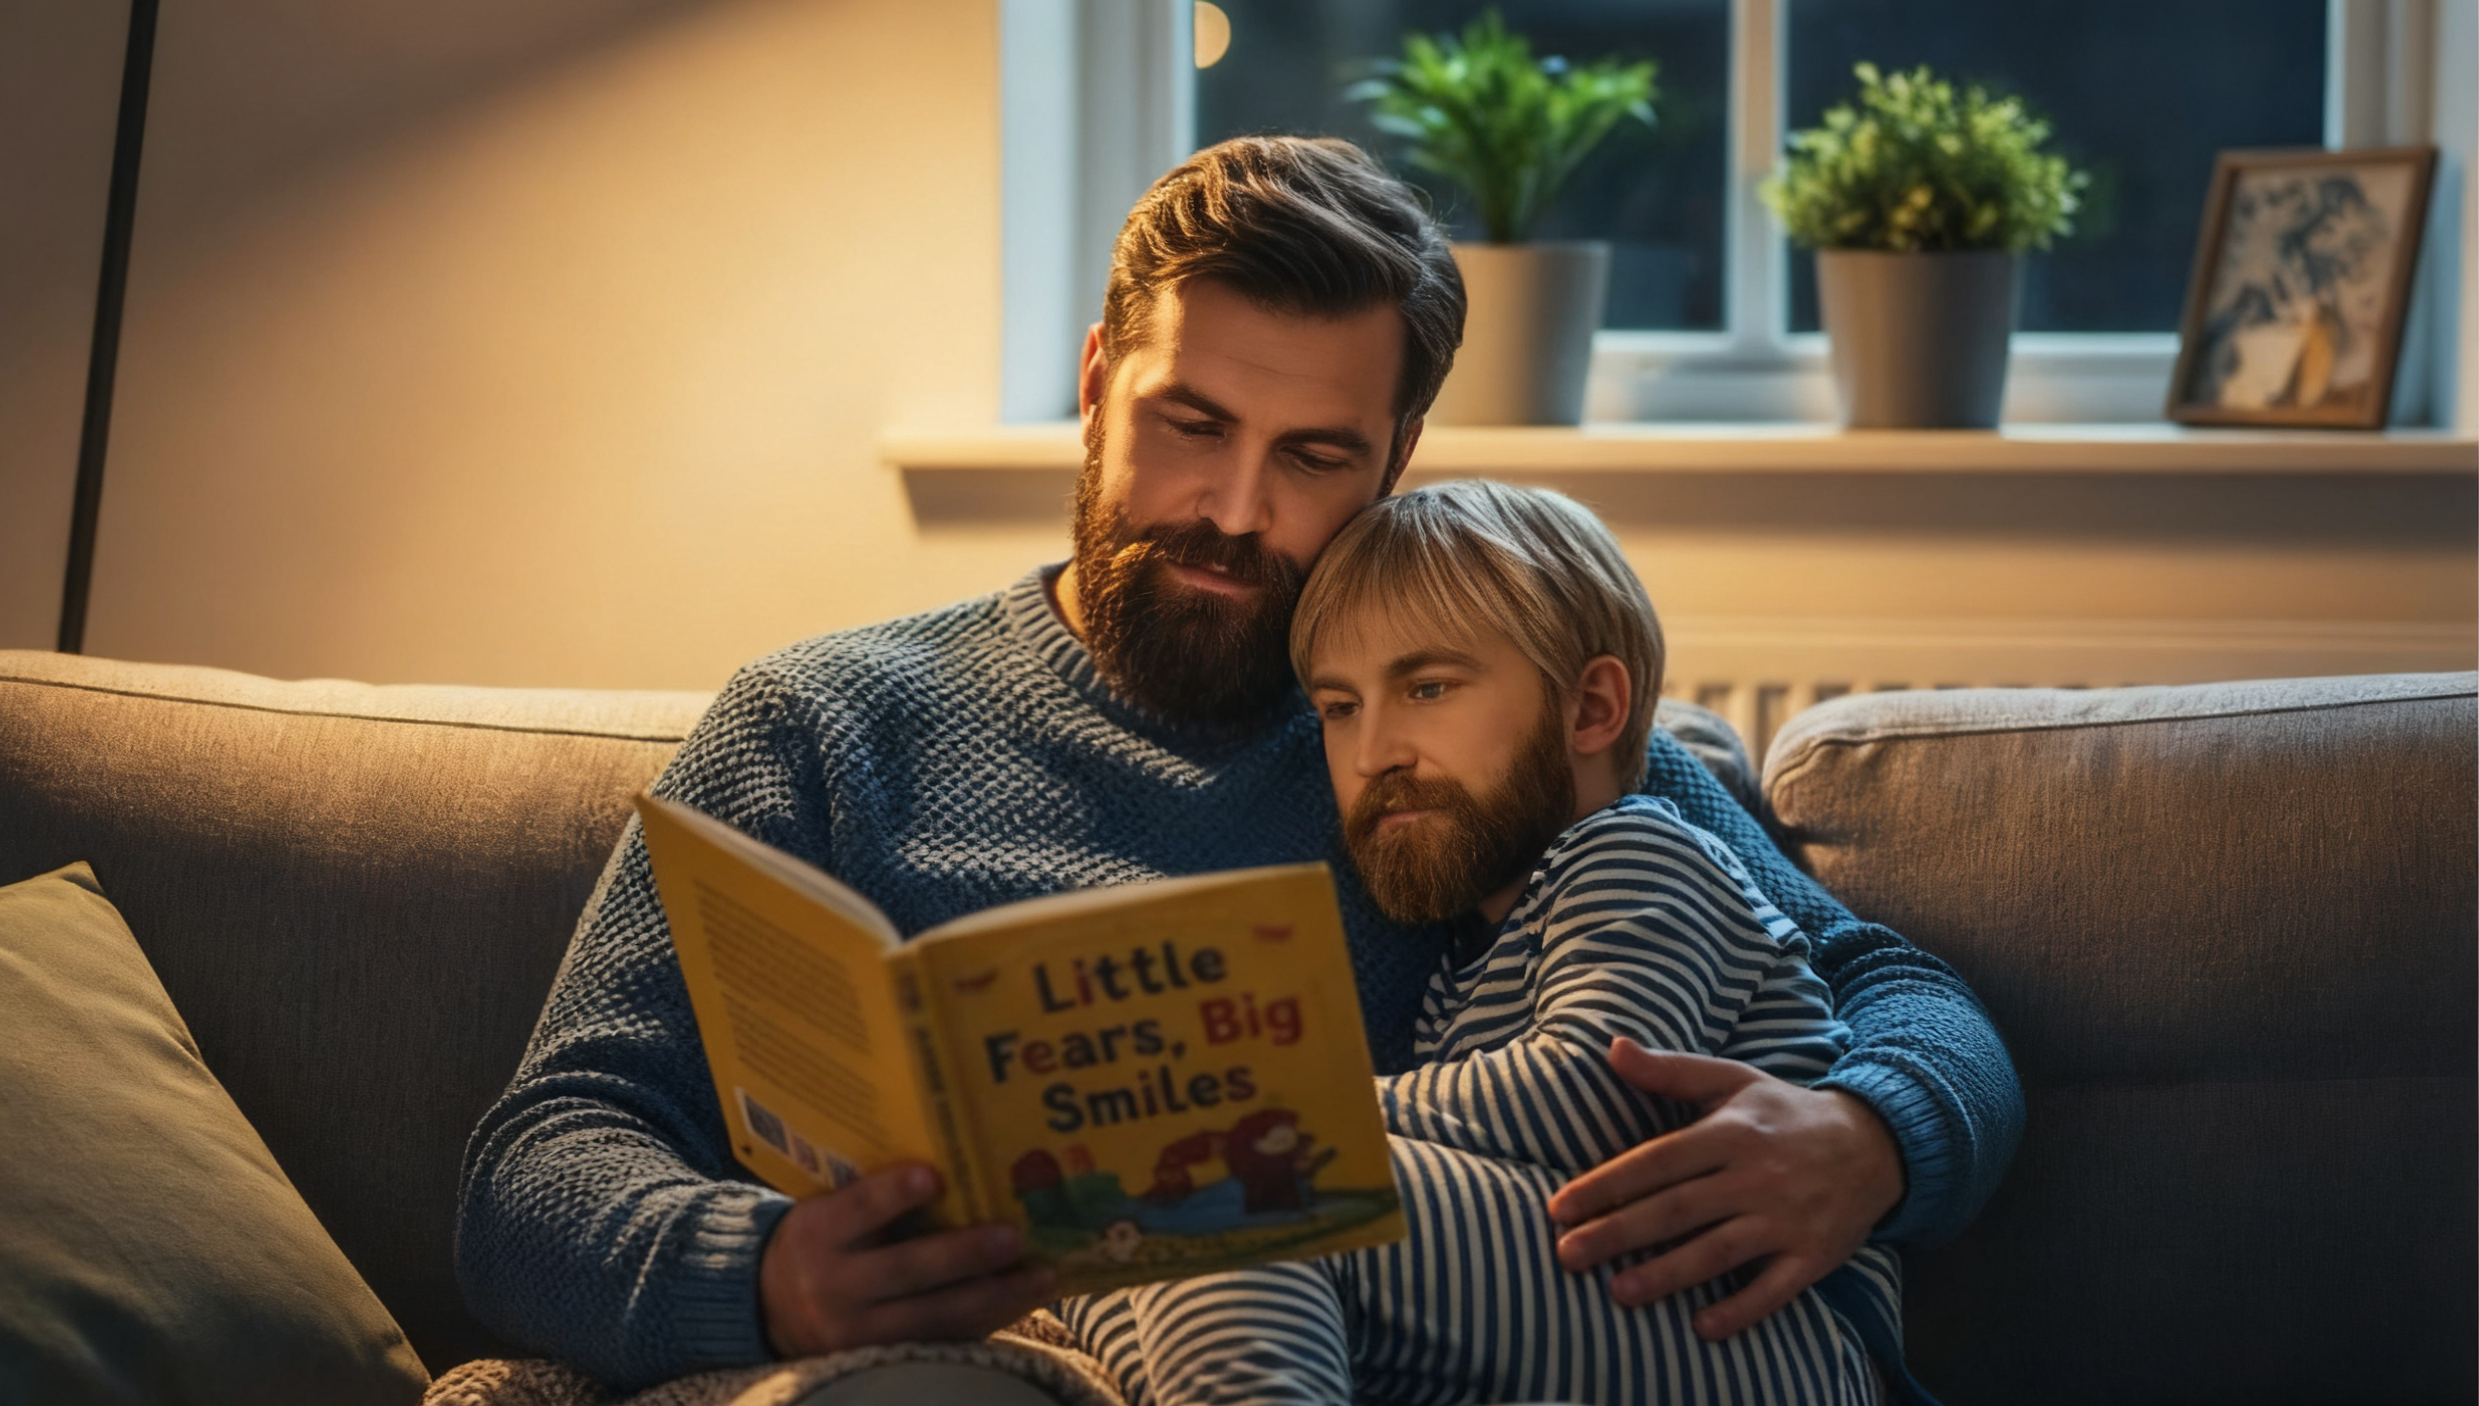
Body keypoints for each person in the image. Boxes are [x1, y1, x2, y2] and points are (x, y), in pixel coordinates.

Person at [455, 135, 2020, 1393]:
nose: (1233, 508)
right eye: (1187, 424)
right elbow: (537, 1164)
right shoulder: (822, 726)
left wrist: (1870, 1138)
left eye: (1314, 458)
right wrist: (766, 1275)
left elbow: (1901, 992)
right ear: (1092, 382)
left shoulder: (1476, 739)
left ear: (1395, 460)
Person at [1061, 479, 1905, 1406]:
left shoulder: (1637, 851)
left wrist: (1270, 1110)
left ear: (1589, 709)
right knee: (1107, 1222)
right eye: (1339, 708)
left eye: (1426, 687)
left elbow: (1593, 1097)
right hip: (1595, 1321)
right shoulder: (1469, 956)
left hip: (1766, 1340)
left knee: (1245, 1178)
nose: (1374, 750)